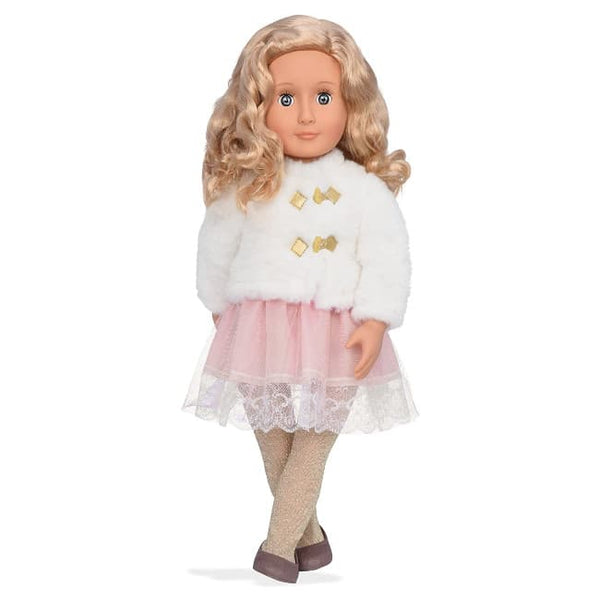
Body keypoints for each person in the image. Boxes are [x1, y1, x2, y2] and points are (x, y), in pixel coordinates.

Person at [182, 14, 419, 583]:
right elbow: (217, 243)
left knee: (313, 444)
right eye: (286, 98)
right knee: (273, 440)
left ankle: (276, 547)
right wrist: (219, 305)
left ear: (351, 103)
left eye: (323, 96)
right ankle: (308, 541)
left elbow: (387, 254)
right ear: (256, 106)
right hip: (257, 323)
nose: (307, 115)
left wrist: (376, 319)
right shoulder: (251, 185)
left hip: (338, 328)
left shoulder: (363, 191)